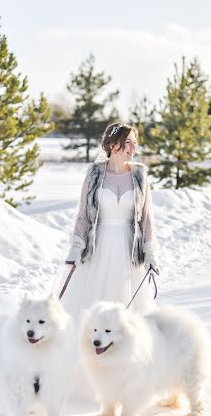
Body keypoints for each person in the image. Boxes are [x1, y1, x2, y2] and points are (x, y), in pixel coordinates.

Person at [58, 122, 159, 321]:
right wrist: (77, 246)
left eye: (135, 142)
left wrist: (150, 252)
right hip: (98, 249)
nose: (134, 147)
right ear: (113, 145)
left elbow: (146, 218)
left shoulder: (140, 176)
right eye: (128, 142)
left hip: (128, 250)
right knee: (92, 305)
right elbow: (84, 215)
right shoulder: (95, 175)